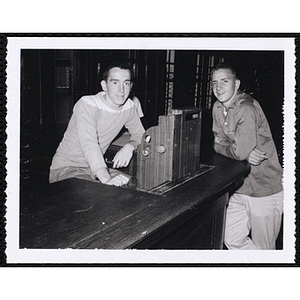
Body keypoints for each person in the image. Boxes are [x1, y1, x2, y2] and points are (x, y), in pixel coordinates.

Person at [211, 63, 283, 250]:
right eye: (214, 83)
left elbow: (235, 150)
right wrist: (237, 151)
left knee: (265, 249)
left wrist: (234, 150)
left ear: (236, 84)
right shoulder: (217, 108)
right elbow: (217, 143)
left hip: (264, 189)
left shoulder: (246, 108)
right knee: (231, 238)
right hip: (240, 186)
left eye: (224, 81)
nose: (218, 87)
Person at [49, 61, 145, 186]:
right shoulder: (88, 104)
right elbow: (90, 144)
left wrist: (130, 146)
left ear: (131, 86)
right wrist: (106, 179)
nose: (121, 89)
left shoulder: (129, 106)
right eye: (115, 82)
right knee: (104, 196)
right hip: (67, 169)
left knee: (137, 186)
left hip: (95, 170)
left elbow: (141, 134)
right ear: (104, 86)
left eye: (126, 83)